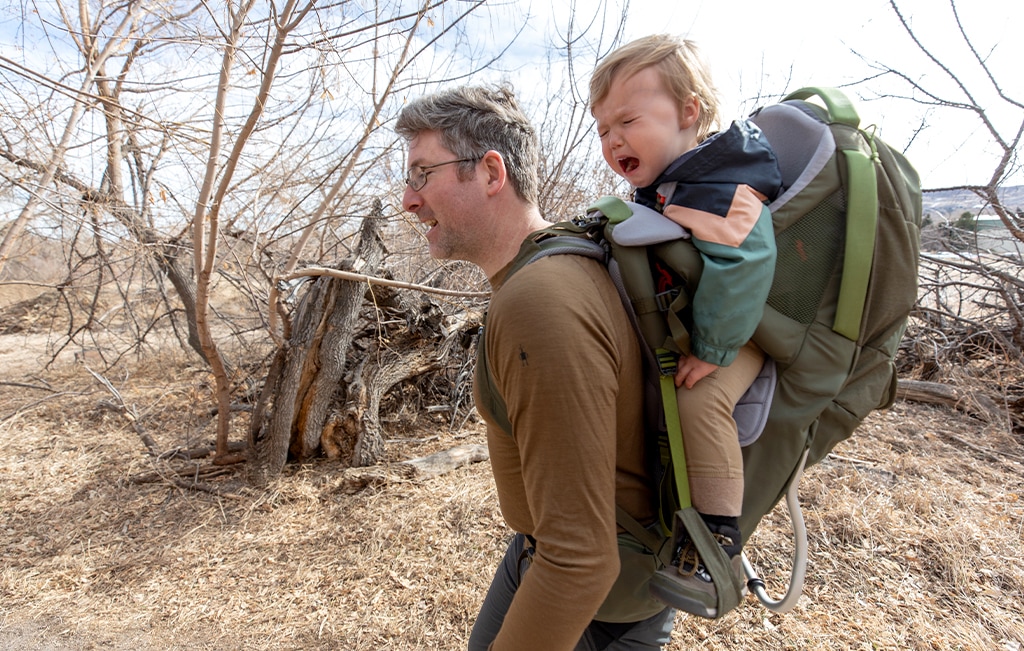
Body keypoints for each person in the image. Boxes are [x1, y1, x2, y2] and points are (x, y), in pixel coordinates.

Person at [396, 86, 676, 650]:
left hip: (592, 609)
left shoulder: (539, 301)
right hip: (543, 556)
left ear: (492, 172)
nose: (408, 198)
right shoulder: (557, 264)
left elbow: (581, 561)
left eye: (423, 174)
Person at [589, 34, 780, 609]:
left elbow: (747, 262)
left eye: (627, 120)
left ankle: (717, 545)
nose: (613, 138)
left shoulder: (721, 186)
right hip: (697, 323)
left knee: (698, 401)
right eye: (602, 130)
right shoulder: (673, 184)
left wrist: (714, 349)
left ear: (689, 112)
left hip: (740, 334)